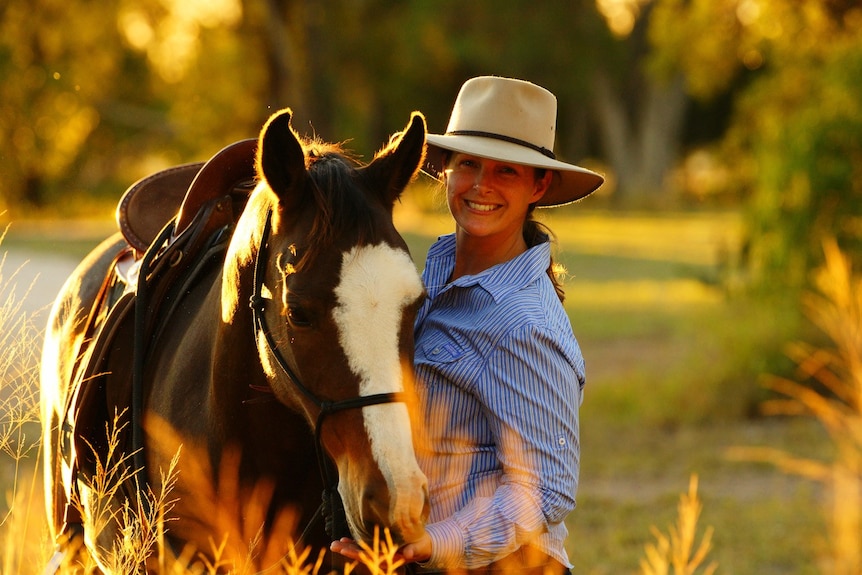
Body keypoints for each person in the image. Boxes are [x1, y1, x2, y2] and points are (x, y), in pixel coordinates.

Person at [332, 76, 604, 574]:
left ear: (538, 186)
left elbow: (546, 489)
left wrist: (435, 542)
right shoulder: (426, 278)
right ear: (445, 172)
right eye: (469, 165)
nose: (482, 186)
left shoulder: (525, 324)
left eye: (507, 172)